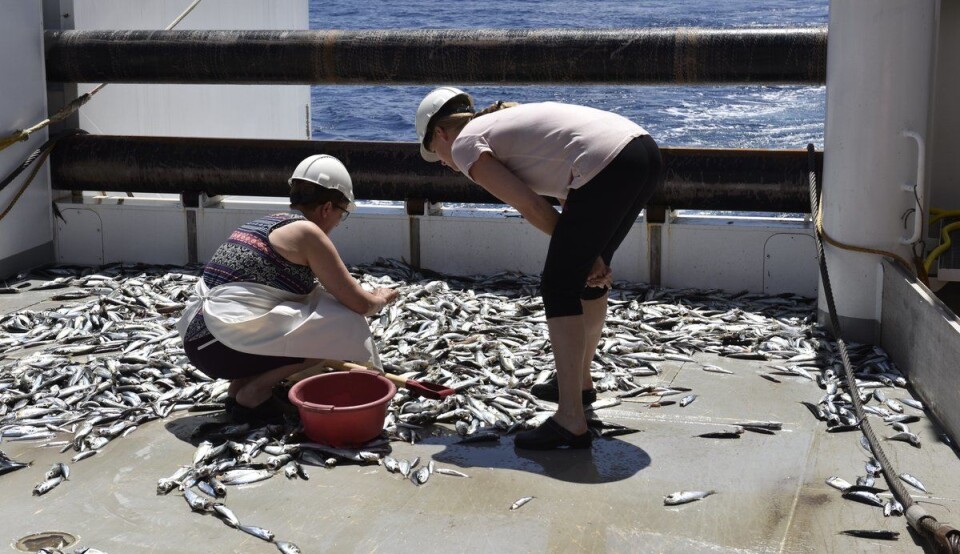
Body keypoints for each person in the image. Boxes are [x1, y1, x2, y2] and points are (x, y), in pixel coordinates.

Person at [415, 87, 663, 450]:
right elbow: (567, 193)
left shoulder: (467, 144)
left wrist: (586, 253)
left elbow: (531, 206)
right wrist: (587, 254)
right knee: (584, 280)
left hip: (610, 165)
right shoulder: (499, 126)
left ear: (440, 133)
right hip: (642, 152)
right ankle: (579, 384)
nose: (441, 162)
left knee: (559, 287)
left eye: (434, 153)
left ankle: (570, 420)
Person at [177, 155, 399, 423]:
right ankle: (255, 393)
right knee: (340, 321)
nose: (339, 222)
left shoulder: (266, 223)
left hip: (197, 338)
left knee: (300, 307)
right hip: (219, 344)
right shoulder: (307, 233)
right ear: (327, 207)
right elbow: (359, 304)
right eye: (342, 214)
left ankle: (240, 389)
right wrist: (381, 298)